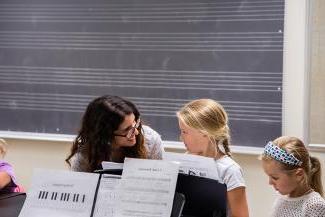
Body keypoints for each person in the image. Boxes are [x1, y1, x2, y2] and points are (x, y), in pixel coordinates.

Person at [177, 99, 249, 217]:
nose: (180, 137)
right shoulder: (185, 162)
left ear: (204, 132)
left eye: (184, 132)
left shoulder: (230, 170)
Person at [66, 95, 164, 172]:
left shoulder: (151, 140)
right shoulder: (86, 155)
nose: (137, 132)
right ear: (106, 136)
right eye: (127, 130)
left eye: (136, 123)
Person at [261, 136, 325, 217]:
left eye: (275, 178)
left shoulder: (314, 205)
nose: (270, 182)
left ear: (299, 175)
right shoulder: (281, 199)